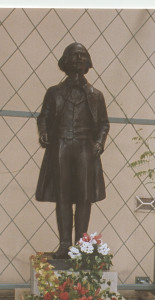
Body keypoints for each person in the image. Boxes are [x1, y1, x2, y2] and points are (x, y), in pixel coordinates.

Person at [35, 42, 110, 259]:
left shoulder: (96, 95)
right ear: (65, 61)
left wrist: (99, 143)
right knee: (63, 196)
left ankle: (80, 245)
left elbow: (104, 123)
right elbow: (44, 117)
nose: (78, 59)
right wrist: (43, 132)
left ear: (88, 62)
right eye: (74, 55)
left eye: (82, 55)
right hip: (60, 147)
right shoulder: (54, 92)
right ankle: (65, 244)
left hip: (86, 149)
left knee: (85, 198)